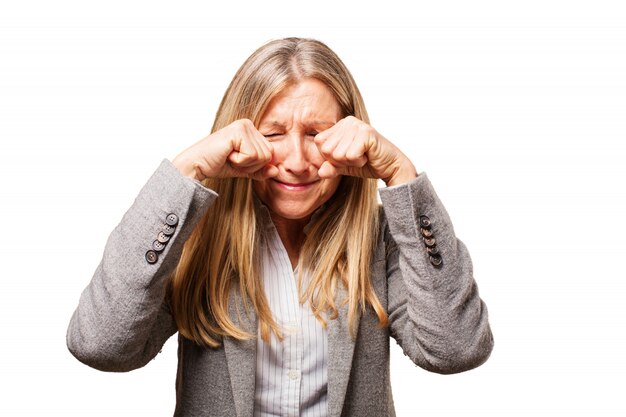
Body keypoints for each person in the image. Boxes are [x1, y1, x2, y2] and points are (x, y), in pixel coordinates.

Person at [67, 37, 493, 417]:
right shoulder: (196, 233)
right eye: (273, 134)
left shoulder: (382, 237)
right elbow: (102, 346)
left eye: (316, 133)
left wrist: (402, 175)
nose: (296, 160)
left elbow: (456, 349)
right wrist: (188, 170)